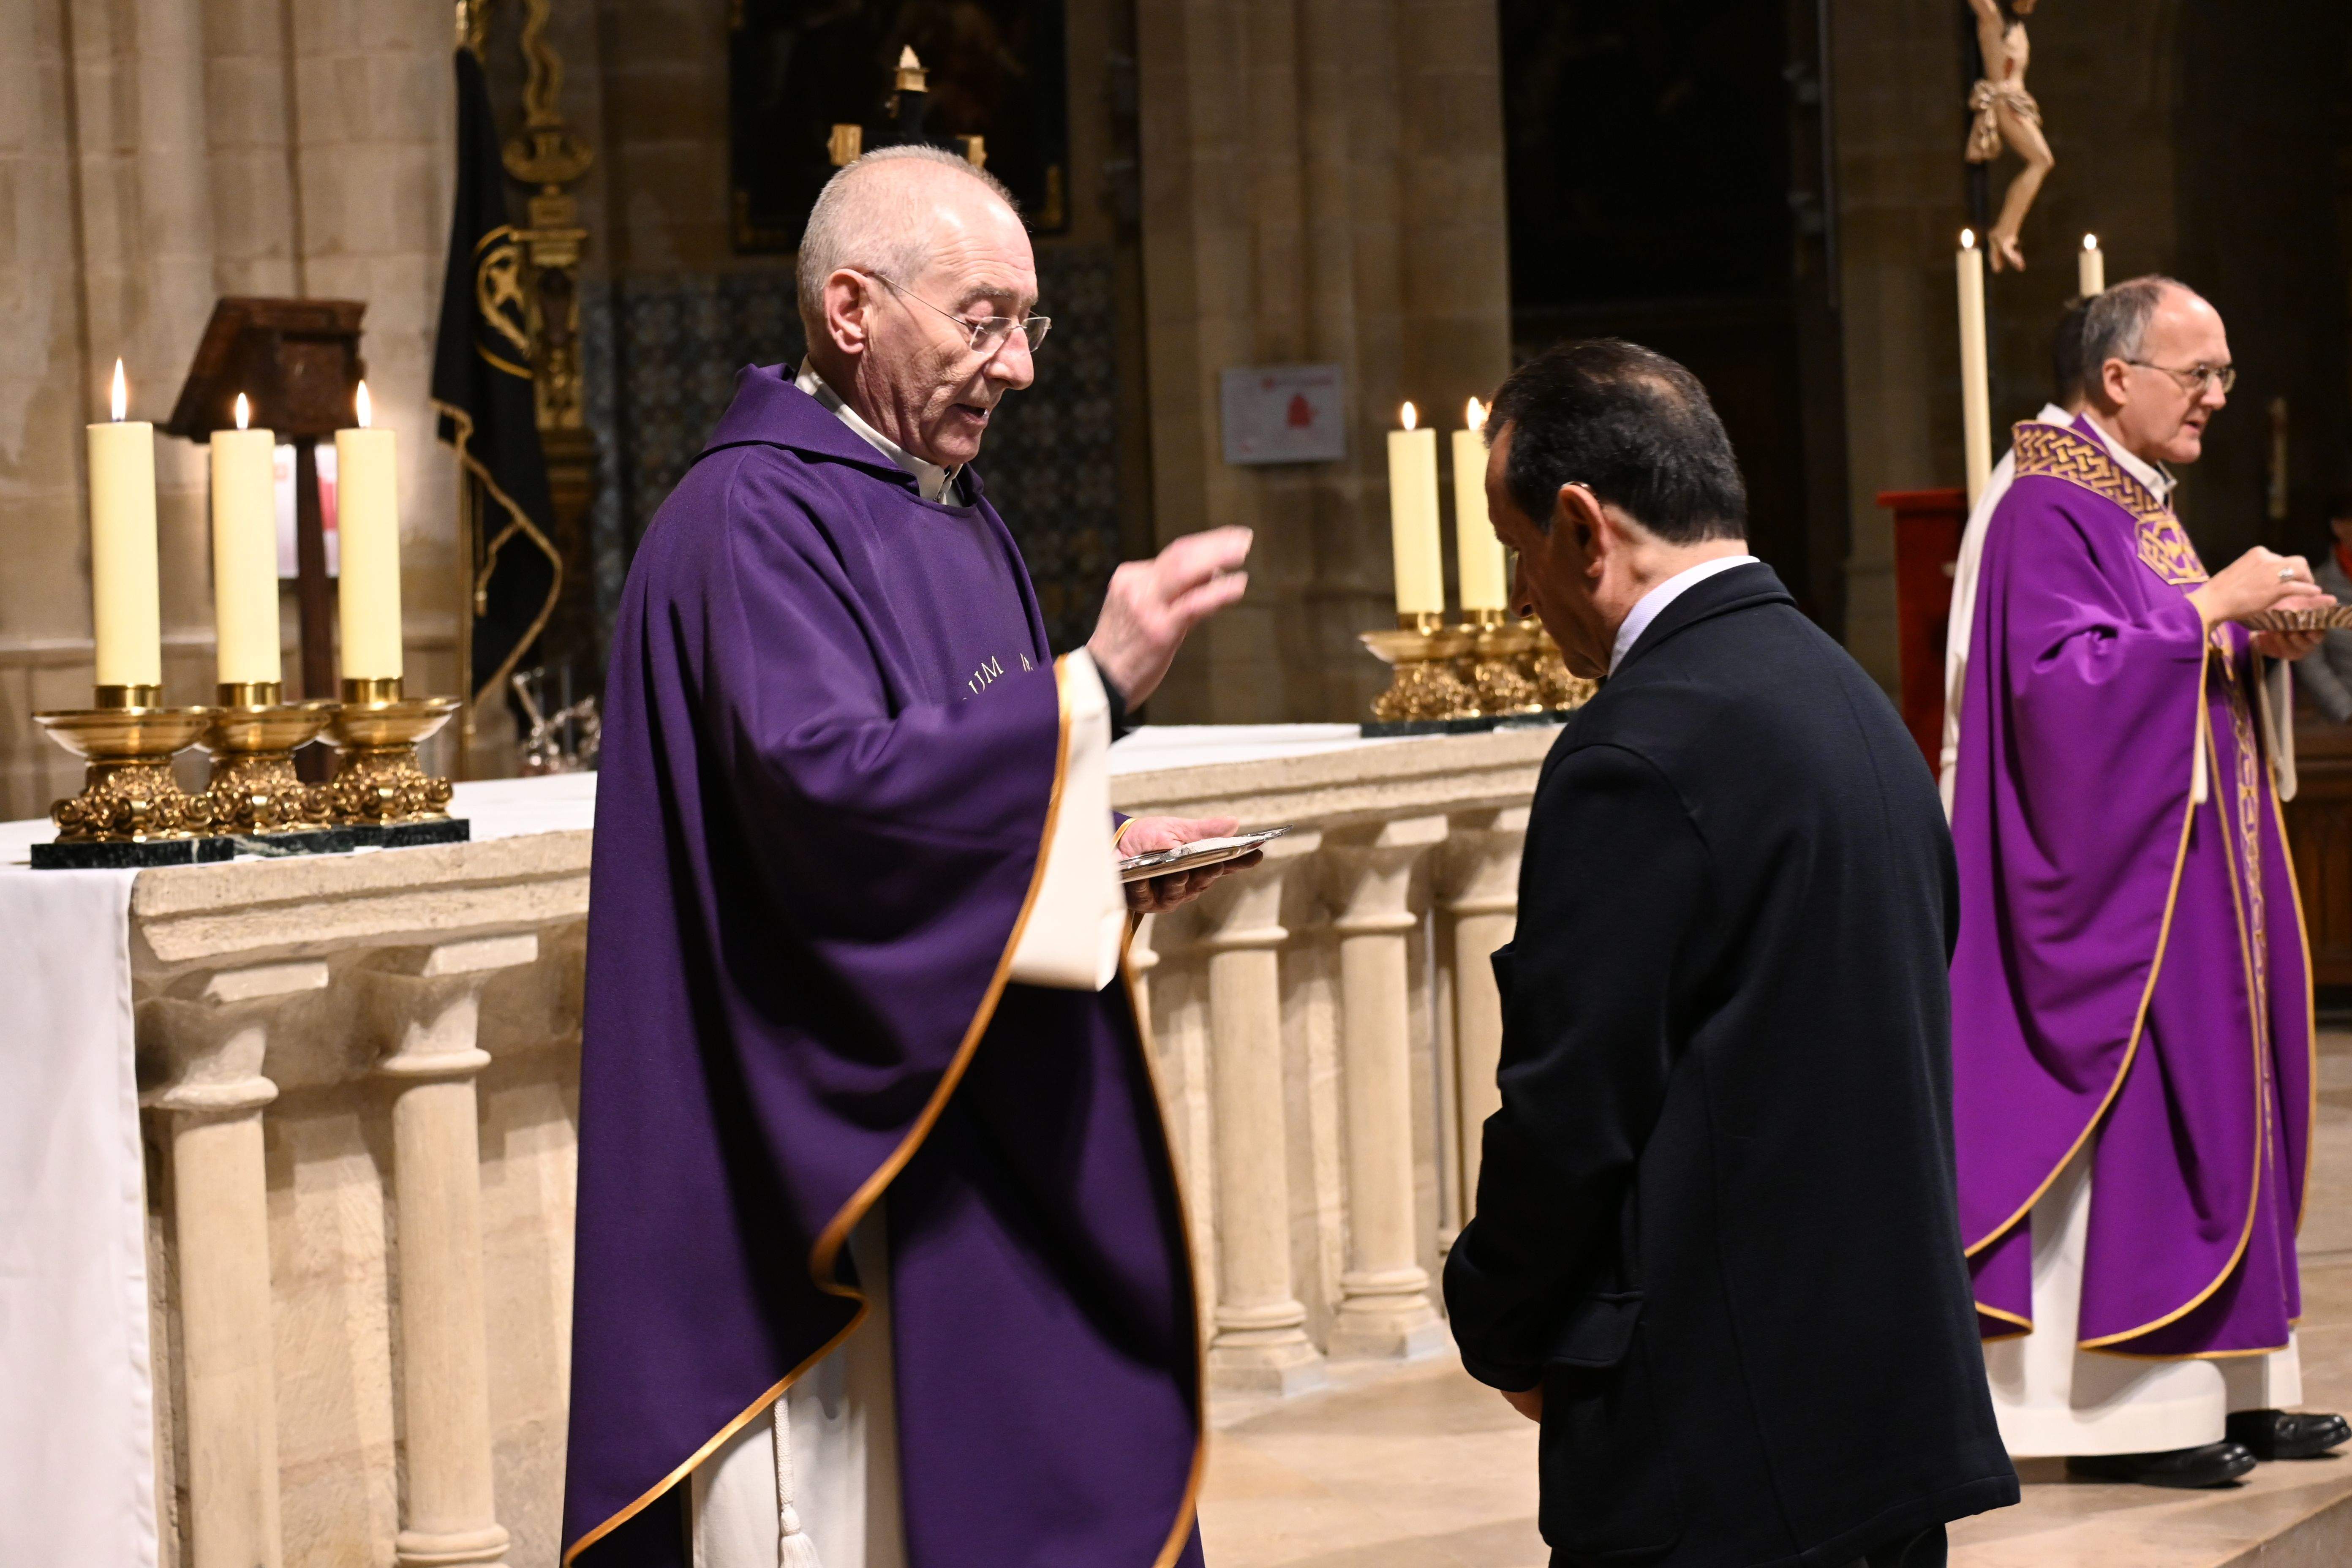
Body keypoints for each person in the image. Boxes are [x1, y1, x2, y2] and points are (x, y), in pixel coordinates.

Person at [561, 144, 1260, 1568]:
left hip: (949, 1133)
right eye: (980, 318)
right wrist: (1093, 690)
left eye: (1029, 324)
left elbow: (950, 800)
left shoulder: (956, 518)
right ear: (849, 309)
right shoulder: (751, 515)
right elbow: (827, 802)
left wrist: (1091, 856)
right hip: (821, 1168)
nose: (1013, 365)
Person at [1445, 339, 2017, 1568]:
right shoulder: (1851, 702)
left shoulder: (1632, 749)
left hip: (1718, 1441)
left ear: (1583, 527)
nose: (1523, 600)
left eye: (1517, 553)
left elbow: (1570, 1109)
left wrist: (1494, 1315)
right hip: (1877, 1418)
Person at [1950, 275, 2351, 1486]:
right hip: (2122, 891)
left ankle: (2235, 1376)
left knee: (2234, 1105)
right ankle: (2128, 1409)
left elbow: (2151, 644)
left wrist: (2251, 635)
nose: (2221, 397)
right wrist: (2214, 607)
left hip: (2193, 871)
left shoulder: (2128, 499)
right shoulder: (2042, 504)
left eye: (2224, 374)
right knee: (2143, 1121)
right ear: (2117, 379)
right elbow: (2060, 693)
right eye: (2201, 374)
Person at [1938, 296, 2092, 810]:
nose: (2208, 398)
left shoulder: (2080, 479)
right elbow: (2047, 677)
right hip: (2025, 789)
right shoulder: (2045, 488)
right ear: (2115, 378)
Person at [1965, 0, 2052, 273]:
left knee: (2042, 161)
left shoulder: (2017, 28)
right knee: (2041, 160)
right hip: (2005, 103)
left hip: (2017, 101)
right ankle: (2004, 233)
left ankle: (2006, 232)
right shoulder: (1993, 20)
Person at [2295, 492, 2352, 723]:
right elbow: (2310, 661)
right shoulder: (2317, 588)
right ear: (2338, 527)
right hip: (2342, 725)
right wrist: (2347, 711)